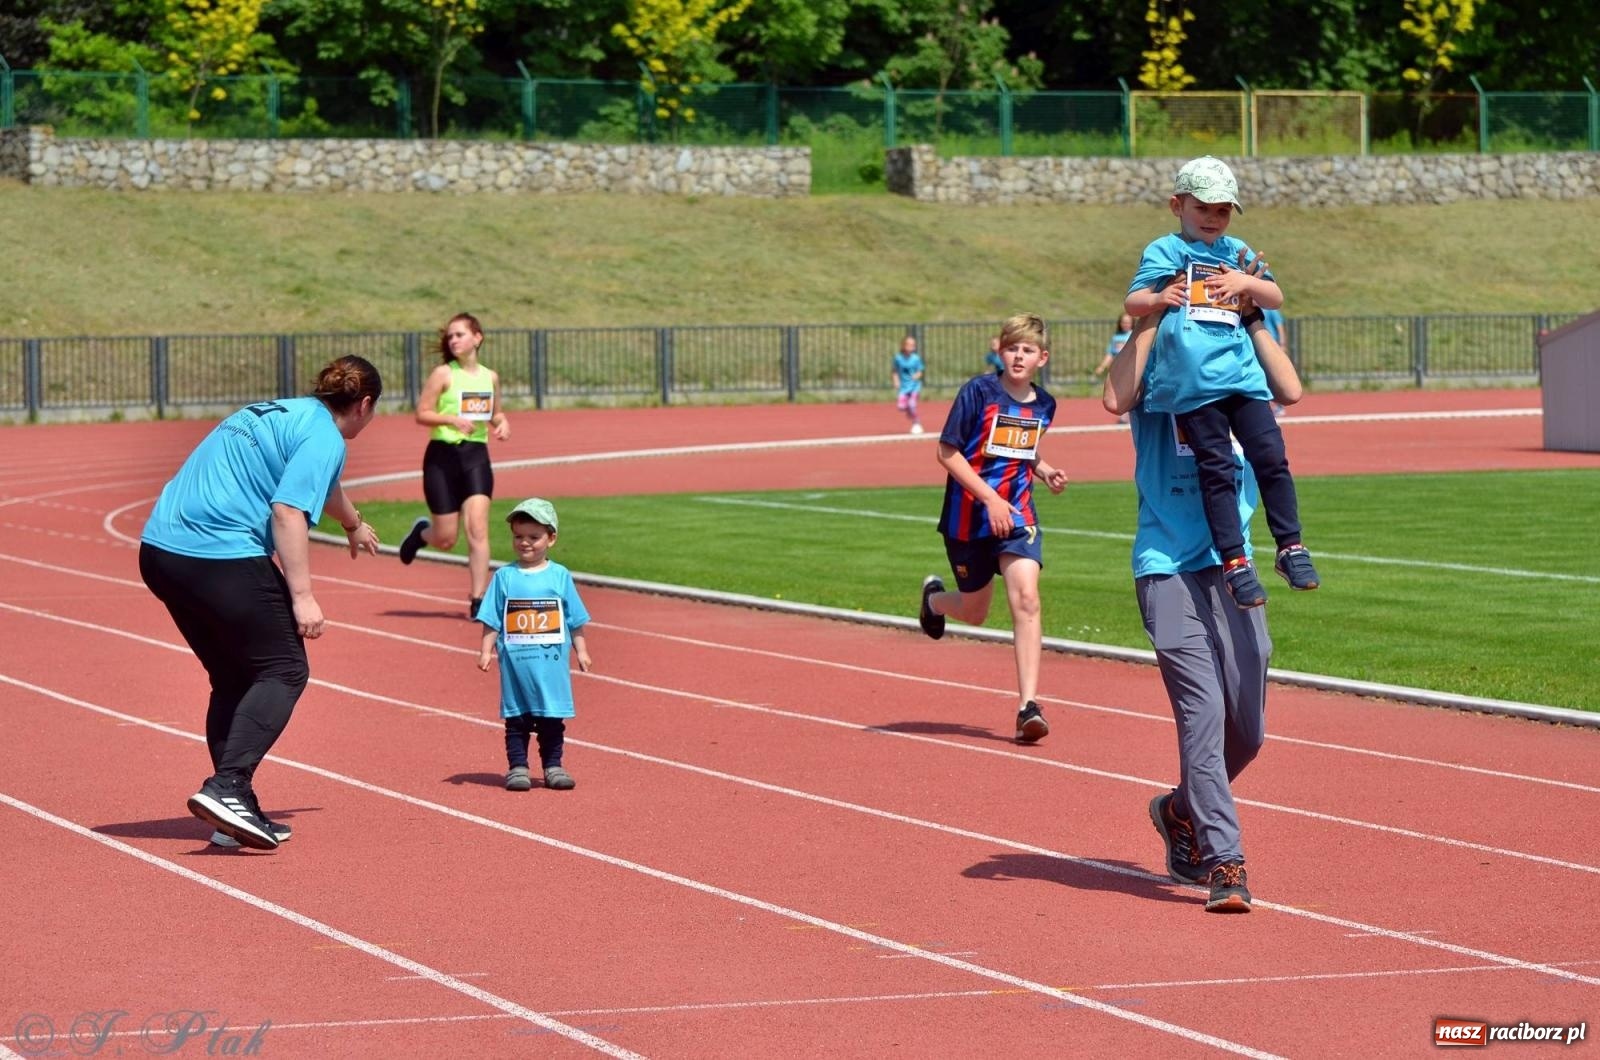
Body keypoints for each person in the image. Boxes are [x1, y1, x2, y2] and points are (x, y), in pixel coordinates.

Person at [1102, 285, 1303, 914]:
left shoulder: (1240, 373)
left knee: (1250, 731)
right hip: (1166, 566)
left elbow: (1291, 389)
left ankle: (1179, 809)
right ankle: (1225, 861)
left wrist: (1253, 317)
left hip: (1233, 570)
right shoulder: (1161, 371)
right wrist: (1152, 316)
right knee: (1203, 714)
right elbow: (1113, 397)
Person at [139, 356, 385, 851]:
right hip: (218, 553)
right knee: (284, 669)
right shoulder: (325, 437)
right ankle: (228, 786)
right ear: (364, 405)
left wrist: (353, 522)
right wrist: (303, 596)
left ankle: (232, 810)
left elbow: (322, 483)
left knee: (234, 678)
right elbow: (288, 509)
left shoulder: (280, 412)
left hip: (160, 551)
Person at [1122, 155, 1318, 610]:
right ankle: (1235, 561)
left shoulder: (1236, 252)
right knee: (1216, 469)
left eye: (1222, 210)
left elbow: (1275, 295)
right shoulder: (1166, 251)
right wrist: (1160, 296)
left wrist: (1244, 281)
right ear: (1177, 206)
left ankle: (1290, 547)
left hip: (1242, 381)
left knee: (1271, 456)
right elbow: (1133, 301)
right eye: (1203, 208)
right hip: (1193, 388)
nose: (1213, 218)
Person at [917, 313, 1069, 743]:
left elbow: (1023, 448)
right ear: (1000, 351)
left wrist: (1044, 469)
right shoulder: (978, 392)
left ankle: (1028, 707)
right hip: (968, 518)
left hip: (1018, 516)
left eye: (1027, 350)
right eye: (1012, 348)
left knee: (1027, 599)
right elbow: (947, 452)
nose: (1019, 356)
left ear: (1042, 358)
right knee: (976, 612)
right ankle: (934, 602)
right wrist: (989, 498)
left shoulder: (1045, 405)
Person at [398, 312, 512, 618]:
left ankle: (478, 599)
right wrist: (451, 419)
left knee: (478, 527)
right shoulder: (443, 374)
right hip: (442, 458)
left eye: (459, 334)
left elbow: (496, 413)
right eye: (450, 336)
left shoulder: (490, 377)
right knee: (446, 539)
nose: (453, 340)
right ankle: (422, 533)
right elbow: (422, 413)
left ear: (477, 337)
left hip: (476, 456)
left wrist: (502, 423)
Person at [477, 498, 593, 792]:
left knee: (552, 718)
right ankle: (518, 767)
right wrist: (485, 650)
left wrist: (581, 650)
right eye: (518, 536)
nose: (525, 542)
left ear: (551, 538)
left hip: (551, 668)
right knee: (517, 719)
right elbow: (492, 618)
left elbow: (574, 619)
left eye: (533, 536)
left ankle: (553, 766)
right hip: (516, 667)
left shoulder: (559, 576)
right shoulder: (504, 577)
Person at [892, 334, 926, 434]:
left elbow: (920, 371)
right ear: (903, 346)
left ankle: (916, 422)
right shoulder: (898, 358)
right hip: (904, 387)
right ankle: (911, 413)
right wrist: (896, 381)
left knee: (911, 404)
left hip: (914, 387)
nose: (910, 347)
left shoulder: (916, 358)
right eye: (908, 345)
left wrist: (916, 376)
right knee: (901, 406)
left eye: (913, 345)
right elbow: (894, 371)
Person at [1092, 313, 1135, 381]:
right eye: (1123, 322)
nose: (1125, 324)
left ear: (1132, 323)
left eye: (1128, 322)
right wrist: (1102, 367)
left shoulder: (1134, 335)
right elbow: (1110, 354)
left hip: (1129, 368)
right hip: (1116, 368)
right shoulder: (1115, 337)